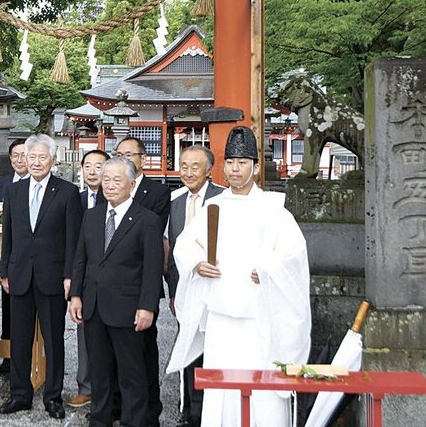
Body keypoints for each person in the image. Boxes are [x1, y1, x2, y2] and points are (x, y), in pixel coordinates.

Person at [167, 126, 311, 426]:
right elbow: (184, 244)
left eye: (242, 162)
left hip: (260, 316)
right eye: (230, 162)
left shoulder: (274, 209)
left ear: (255, 168)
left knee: (263, 393)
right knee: (223, 390)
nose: (235, 168)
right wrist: (195, 262)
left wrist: (270, 271)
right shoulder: (214, 206)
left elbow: (293, 255)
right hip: (221, 318)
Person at [69, 157, 163, 427]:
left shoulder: (147, 220)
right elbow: (81, 259)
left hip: (128, 309)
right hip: (95, 305)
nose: (109, 185)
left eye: (117, 180)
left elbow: (152, 269)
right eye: (106, 179)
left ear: (132, 185)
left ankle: (136, 421)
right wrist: (76, 295)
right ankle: (100, 420)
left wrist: (147, 307)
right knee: (99, 372)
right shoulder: (92, 215)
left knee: (131, 373)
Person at [0, 133, 82, 420]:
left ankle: (53, 396)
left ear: (53, 160)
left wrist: (70, 275)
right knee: (19, 338)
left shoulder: (67, 192)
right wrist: (4, 271)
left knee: (53, 339)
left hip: (53, 275)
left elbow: (73, 239)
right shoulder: (14, 191)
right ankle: (20, 394)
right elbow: (8, 234)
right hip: (20, 274)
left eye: (41, 157)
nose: (35, 162)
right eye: (30, 157)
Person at [166, 145, 225, 427]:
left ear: (210, 169)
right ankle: (190, 408)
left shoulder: (223, 199)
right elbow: (173, 252)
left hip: (215, 288)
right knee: (187, 346)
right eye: (184, 166)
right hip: (185, 290)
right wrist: (172, 290)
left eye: (195, 166)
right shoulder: (176, 201)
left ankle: (214, 410)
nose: (188, 172)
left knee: (213, 348)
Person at [115, 135, 171, 426]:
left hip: (141, 280)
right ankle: (116, 406)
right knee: (113, 350)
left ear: (143, 158)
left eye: (130, 154)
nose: (125, 158)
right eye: (119, 153)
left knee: (144, 350)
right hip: (112, 284)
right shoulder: (109, 186)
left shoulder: (158, 192)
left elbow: (150, 235)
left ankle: (149, 410)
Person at [67, 148, 110, 409]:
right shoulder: (75, 199)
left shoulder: (117, 199)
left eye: (99, 166)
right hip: (82, 278)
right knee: (84, 335)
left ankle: (109, 390)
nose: (93, 171)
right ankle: (86, 386)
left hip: (111, 280)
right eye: (88, 166)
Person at [0, 138, 28, 376]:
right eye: (15, 155)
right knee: (8, 310)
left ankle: (29, 355)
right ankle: (7, 355)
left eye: (23, 155)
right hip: (9, 252)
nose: (19, 159)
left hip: (32, 255)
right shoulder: (2, 184)